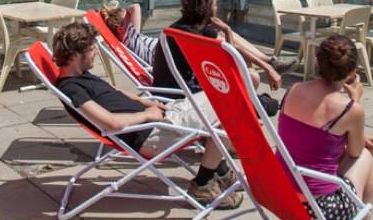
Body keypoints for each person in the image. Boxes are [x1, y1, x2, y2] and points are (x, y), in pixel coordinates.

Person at [52, 22, 243, 208]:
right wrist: (146, 115)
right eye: (92, 49)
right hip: (151, 134)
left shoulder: (82, 74)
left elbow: (114, 91)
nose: (95, 52)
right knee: (228, 107)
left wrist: (145, 102)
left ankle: (220, 170)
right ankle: (203, 184)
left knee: (225, 94)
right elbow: (111, 123)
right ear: (77, 55)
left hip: (159, 118)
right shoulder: (71, 88)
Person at [276, 34, 373, 220]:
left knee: (333, 152)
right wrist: (354, 102)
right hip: (323, 212)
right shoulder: (349, 109)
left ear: (318, 62)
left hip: (282, 196)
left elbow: (312, 137)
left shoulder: (294, 89)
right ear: (352, 72)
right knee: (368, 157)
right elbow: (354, 152)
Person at [153, 0, 284, 115]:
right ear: (206, 8)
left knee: (251, 80)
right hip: (181, 93)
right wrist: (227, 31)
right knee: (258, 92)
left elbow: (233, 48)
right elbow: (229, 65)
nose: (217, 8)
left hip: (175, 87)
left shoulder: (188, 26)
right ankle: (252, 106)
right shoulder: (192, 37)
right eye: (215, 5)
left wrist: (268, 67)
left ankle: (255, 103)